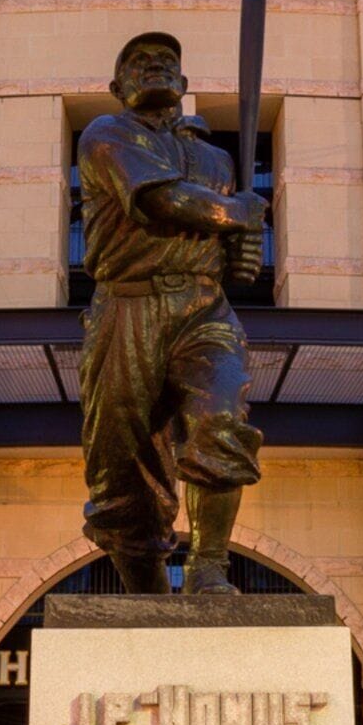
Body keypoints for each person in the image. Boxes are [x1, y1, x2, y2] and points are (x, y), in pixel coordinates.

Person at [74, 32, 266, 593]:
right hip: (127, 307)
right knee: (122, 466)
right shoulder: (106, 134)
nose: (154, 66)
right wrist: (237, 214)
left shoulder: (217, 159)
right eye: (138, 62)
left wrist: (244, 247)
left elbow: (227, 249)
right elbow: (162, 201)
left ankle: (209, 568)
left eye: (166, 63)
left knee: (221, 420)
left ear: (183, 87)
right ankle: (148, 593)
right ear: (117, 87)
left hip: (204, 308)